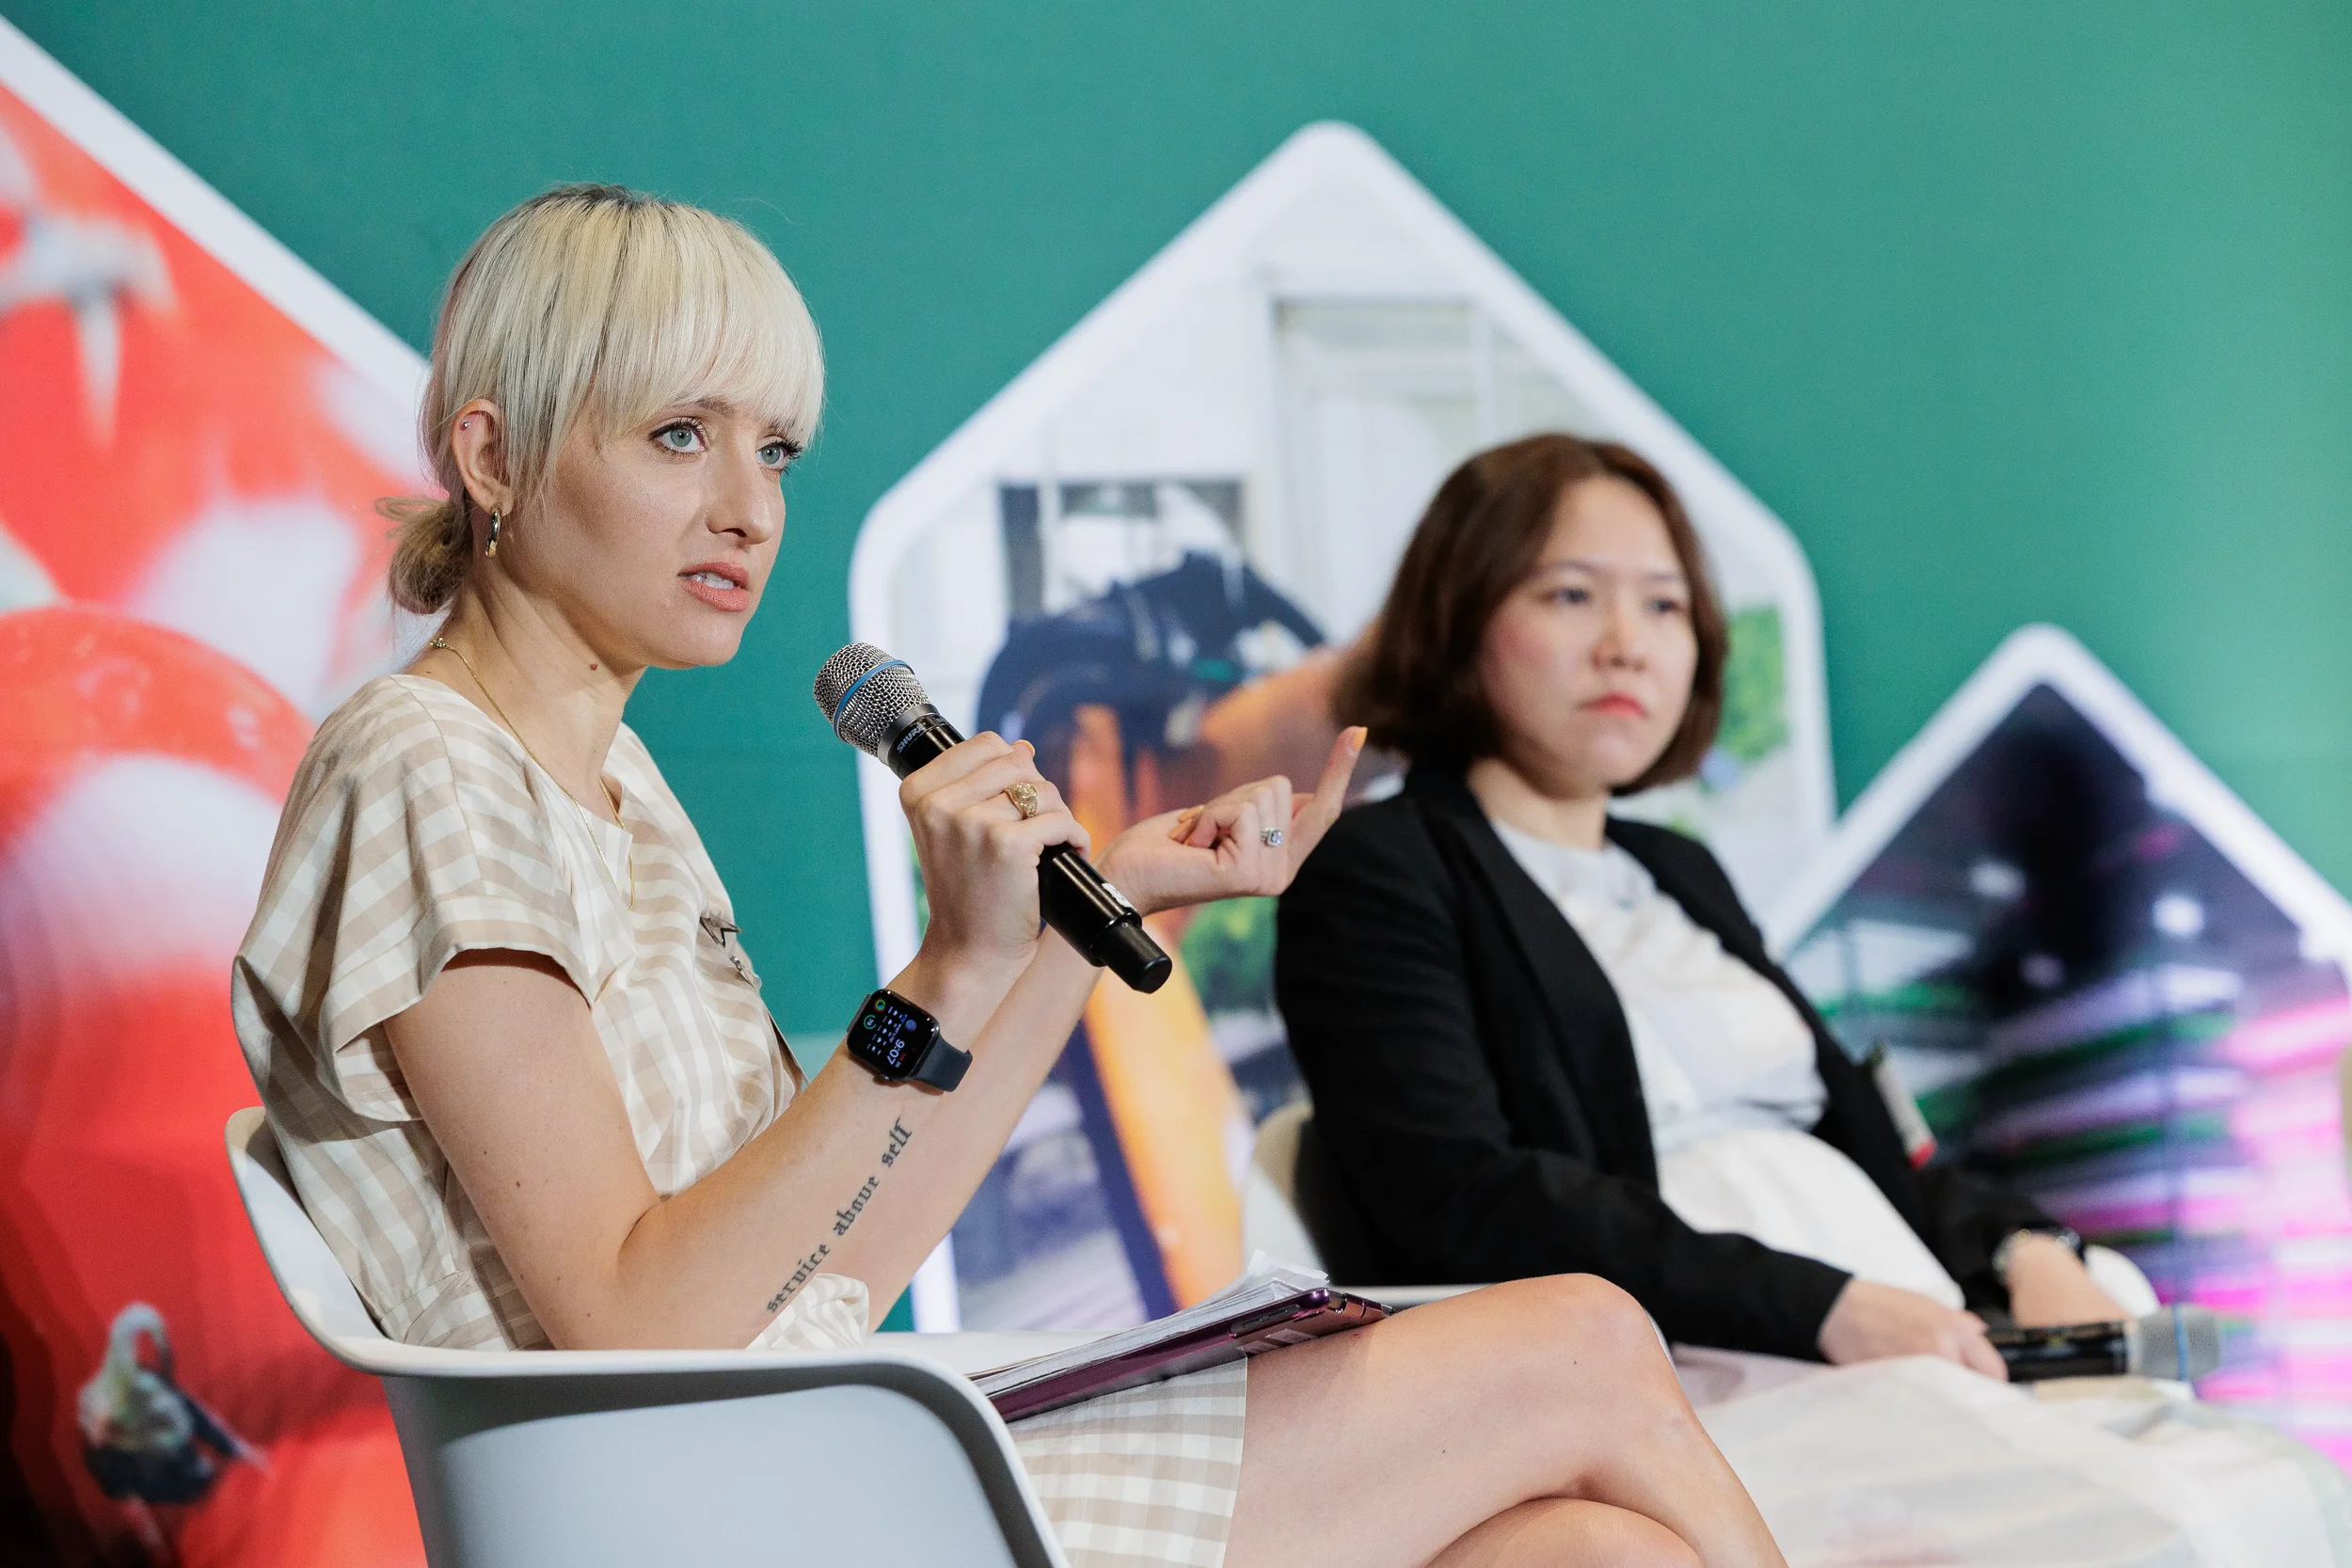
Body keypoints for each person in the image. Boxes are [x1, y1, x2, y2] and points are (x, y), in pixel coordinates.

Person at [230, 186, 1785, 1568]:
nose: (749, 507)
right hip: (725, 1504)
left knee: (1586, 1546)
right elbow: (641, 1329)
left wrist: (1077, 920)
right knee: (1583, 1339)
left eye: (773, 448)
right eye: (677, 435)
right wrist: (938, 976)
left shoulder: (617, 782)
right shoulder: (429, 768)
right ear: (489, 453)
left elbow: (841, 1255)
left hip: (822, 1446)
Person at [1275, 433, 2127, 1373]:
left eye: (1664, 603)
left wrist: (2021, 1244)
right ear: (1457, 616)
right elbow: (1458, 1197)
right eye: (1569, 594)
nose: (1626, 645)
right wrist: (1815, 1306)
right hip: (1664, 1358)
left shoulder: (1677, 869)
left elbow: (1862, 1132)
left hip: (1894, 1318)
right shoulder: (1380, 864)